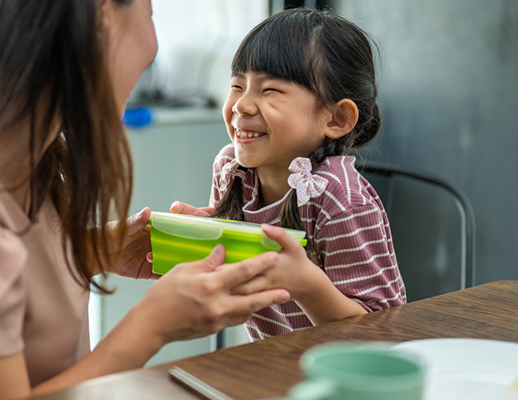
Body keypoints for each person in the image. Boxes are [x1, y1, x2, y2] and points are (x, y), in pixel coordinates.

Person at [0, 1, 292, 399]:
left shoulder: (32, 165)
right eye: (149, 12)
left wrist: (91, 250)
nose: (151, 46)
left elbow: (0, 278)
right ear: (101, 18)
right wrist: (153, 326)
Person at [171, 8, 406, 341]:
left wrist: (304, 283)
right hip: (274, 367)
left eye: (269, 91)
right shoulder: (231, 171)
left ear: (337, 118)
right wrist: (204, 241)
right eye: (237, 86)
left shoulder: (340, 198)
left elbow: (384, 333)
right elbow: (234, 289)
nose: (241, 105)